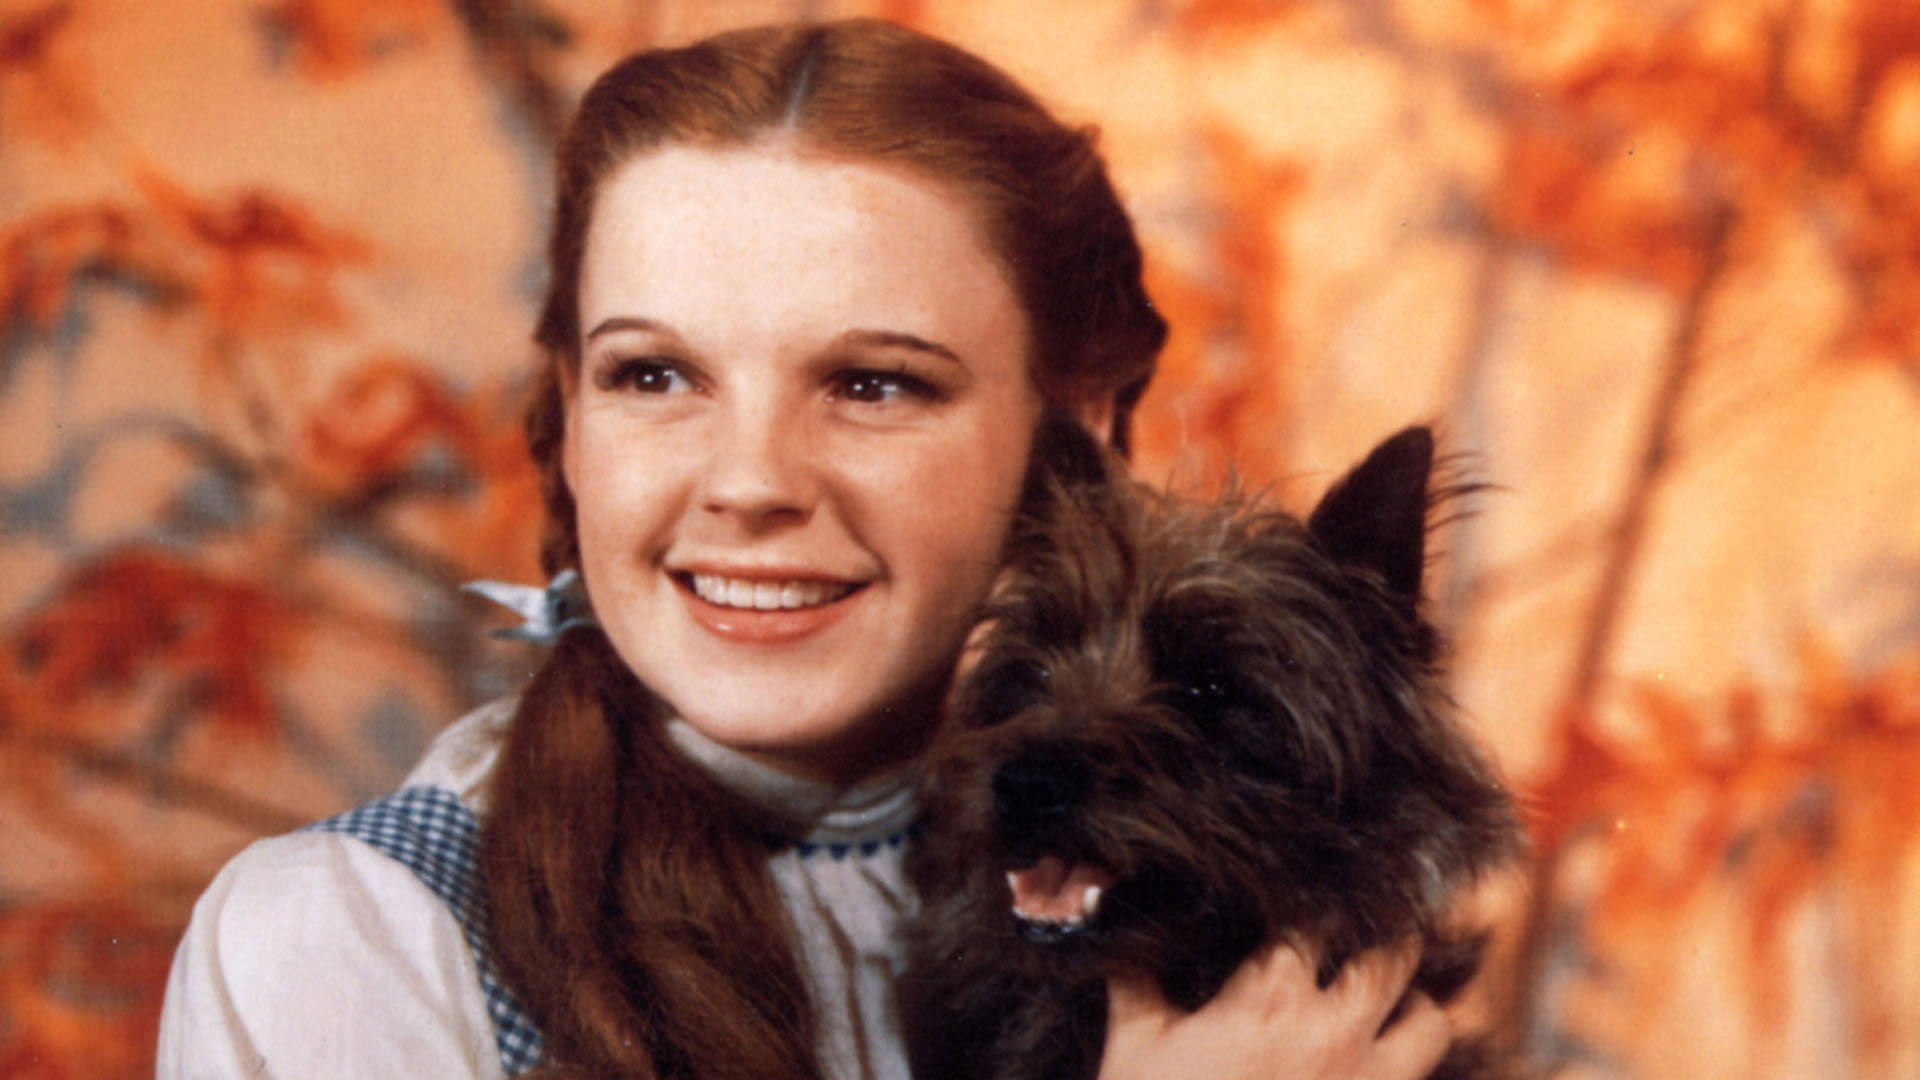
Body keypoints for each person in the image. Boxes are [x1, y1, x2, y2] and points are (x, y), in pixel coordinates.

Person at [157, 19, 1454, 1080]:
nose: (751, 483)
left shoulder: (1186, 905)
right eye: (655, 373)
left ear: (1081, 433)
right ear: (567, 419)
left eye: (877, 385)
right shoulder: (355, 939)